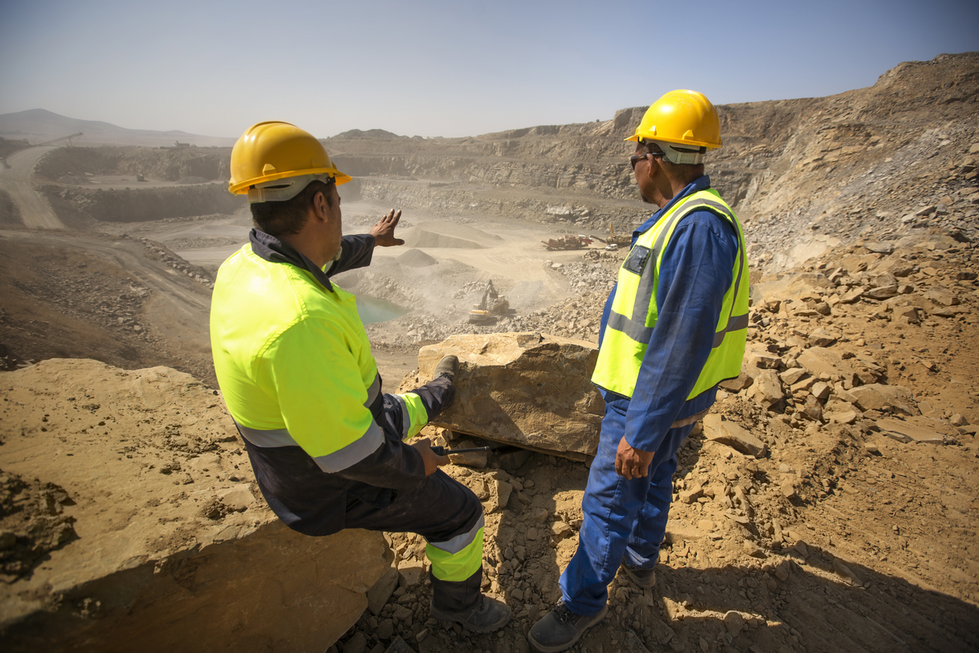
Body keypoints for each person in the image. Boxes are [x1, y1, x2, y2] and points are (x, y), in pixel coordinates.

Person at [209, 121, 510, 633]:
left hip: (318, 439)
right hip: (327, 484)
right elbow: (352, 455)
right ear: (322, 205)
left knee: (408, 406)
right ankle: (459, 611)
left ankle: (440, 391)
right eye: (337, 202)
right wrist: (417, 465)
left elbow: (318, 257)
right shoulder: (299, 321)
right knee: (461, 512)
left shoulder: (247, 266)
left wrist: (370, 241)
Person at [529, 90, 749, 652]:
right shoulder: (682, 219)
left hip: (645, 401)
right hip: (664, 399)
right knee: (654, 481)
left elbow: (680, 339)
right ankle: (642, 560)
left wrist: (642, 430)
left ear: (653, 156)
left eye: (634, 158)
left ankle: (581, 603)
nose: (632, 170)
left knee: (609, 501)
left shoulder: (696, 228)